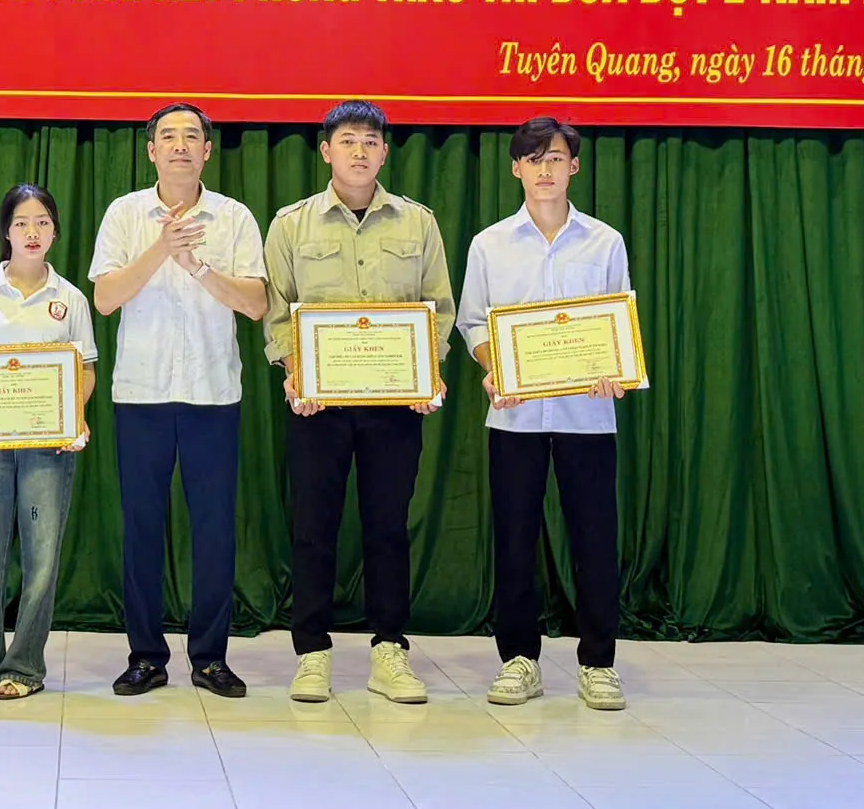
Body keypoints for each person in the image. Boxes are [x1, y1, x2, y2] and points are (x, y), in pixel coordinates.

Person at [262, 100, 454, 705]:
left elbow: (438, 308)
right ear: (326, 151)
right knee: (313, 528)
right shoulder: (291, 225)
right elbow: (278, 311)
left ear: (385, 153)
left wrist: (427, 374)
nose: (360, 151)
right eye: (348, 140)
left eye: (371, 141)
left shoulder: (418, 223)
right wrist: (296, 373)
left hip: (396, 408)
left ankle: (390, 650)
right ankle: (312, 654)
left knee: (388, 528)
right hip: (316, 407)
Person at [90, 102, 268, 698]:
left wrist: (197, 266)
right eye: (168, 136)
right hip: (141, 395)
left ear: (208, 151)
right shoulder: (124, 214)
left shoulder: (234, 217)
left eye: (192, 136)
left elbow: (256, 304)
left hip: (213, 395)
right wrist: (162, 248)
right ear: (151, 151)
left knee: (215, 530)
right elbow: (105, 299)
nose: (181, 145)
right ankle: (146, 656)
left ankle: (210, 657)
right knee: (142, 527)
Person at [458, 116, 632, 712]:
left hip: (588, 416)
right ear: (516, 169)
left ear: (574, 167)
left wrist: (613, 365)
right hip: (515, 418)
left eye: (555, 158)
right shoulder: (489, 244)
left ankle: (599, 664)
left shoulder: (605, 242)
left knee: (595, 540)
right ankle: (518, 661)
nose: (545, 169)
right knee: (514, 540)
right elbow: (473, 322)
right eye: (533, 159)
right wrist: (495, 369)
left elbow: (617, 321)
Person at [0, 184, 98, 700]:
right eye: (21, 223)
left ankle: (24, 667)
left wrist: (73, 416)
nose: (32, 232)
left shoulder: (70, 298)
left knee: (43, 559)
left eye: (42, 223)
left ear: (55, 232)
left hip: (49, 448)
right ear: (6, 232)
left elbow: (86, 369)